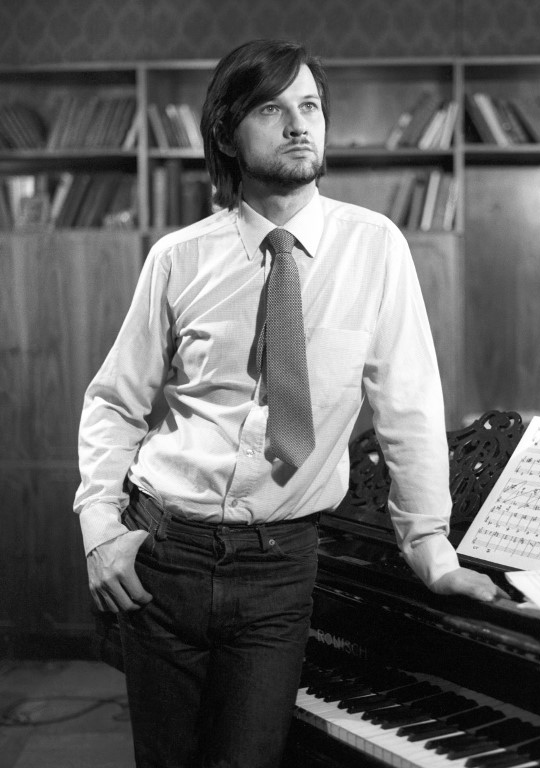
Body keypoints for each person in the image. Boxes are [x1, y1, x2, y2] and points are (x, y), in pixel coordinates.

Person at [74, 38, 506, 768]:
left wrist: (432, 550)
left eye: (310, 106)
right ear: (226, 134)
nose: (300, 124)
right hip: (162, 555)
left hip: (279, 567)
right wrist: (99, 528)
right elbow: (115, 403)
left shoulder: (376, 249)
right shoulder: (178, 257)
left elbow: (407, 407)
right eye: (272, 110)